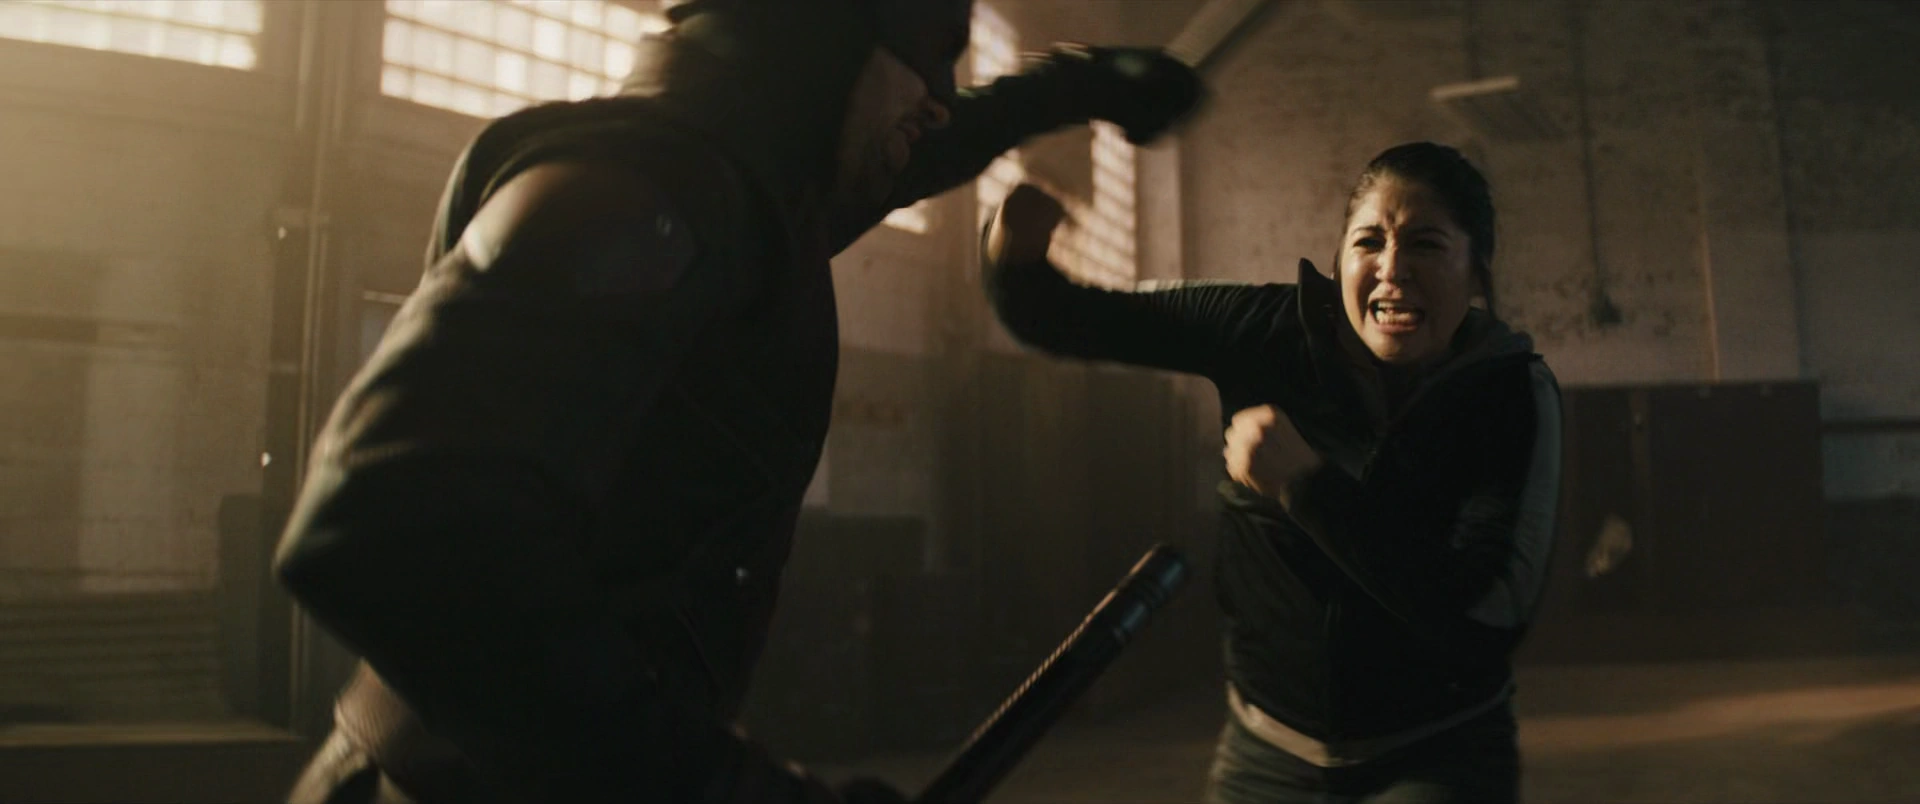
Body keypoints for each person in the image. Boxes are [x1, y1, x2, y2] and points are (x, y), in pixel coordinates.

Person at [271, 1, 1204, 802]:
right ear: (818, 39)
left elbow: (922, 146)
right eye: (922, 54)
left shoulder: (748, 199)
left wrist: (1075, 87)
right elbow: (392, 524)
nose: (939, 98)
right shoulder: (637, 189)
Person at [983, 142, 1562, 804]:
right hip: (1268, 753)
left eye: (1426, 244)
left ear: (1477, 274)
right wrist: (1014, 241)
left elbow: (1486, 616)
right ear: (1339, 259)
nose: (1391, 268)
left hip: (1439, 752)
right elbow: (1062, 316)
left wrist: (1305, 487)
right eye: (1368, 241)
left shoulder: (1510, 394)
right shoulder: (1259, 329)